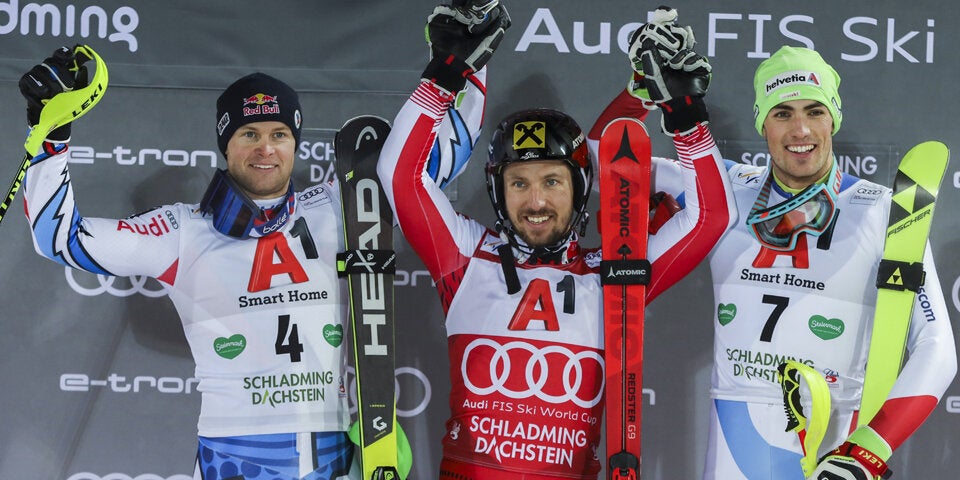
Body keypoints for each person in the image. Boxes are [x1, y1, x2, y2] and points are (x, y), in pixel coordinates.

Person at [18, 48, 424, 480]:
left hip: (332, 453)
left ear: (295, 143)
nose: (265, 148)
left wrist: (452, 74)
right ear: (225, 143)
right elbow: (60, 238)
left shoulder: (337, 205)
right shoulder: (182, 231)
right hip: (235, 456)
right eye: (249, 133)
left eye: (280, 133)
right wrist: (50, 137)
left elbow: (422, 170)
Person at [377, 3, 733, 479]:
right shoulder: (464, 258)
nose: (536, 200)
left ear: (581, 189)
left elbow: (712, 216)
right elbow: (399, 176)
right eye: (519, 183)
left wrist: (685, 115)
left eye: (552, 180)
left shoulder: (615, 276)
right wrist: (443, 75)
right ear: (498, 193)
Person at [630, 18, 957, 480]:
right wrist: (642, 95)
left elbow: (936, 347)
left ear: (833, 118)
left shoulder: (886, 210)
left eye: (814, 111)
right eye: (782, 113)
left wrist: (868, 450)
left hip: (837, 450)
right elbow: (601, 156)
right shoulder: (722, 190)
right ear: (762, 122)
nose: (799, 128)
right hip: (732, 443)